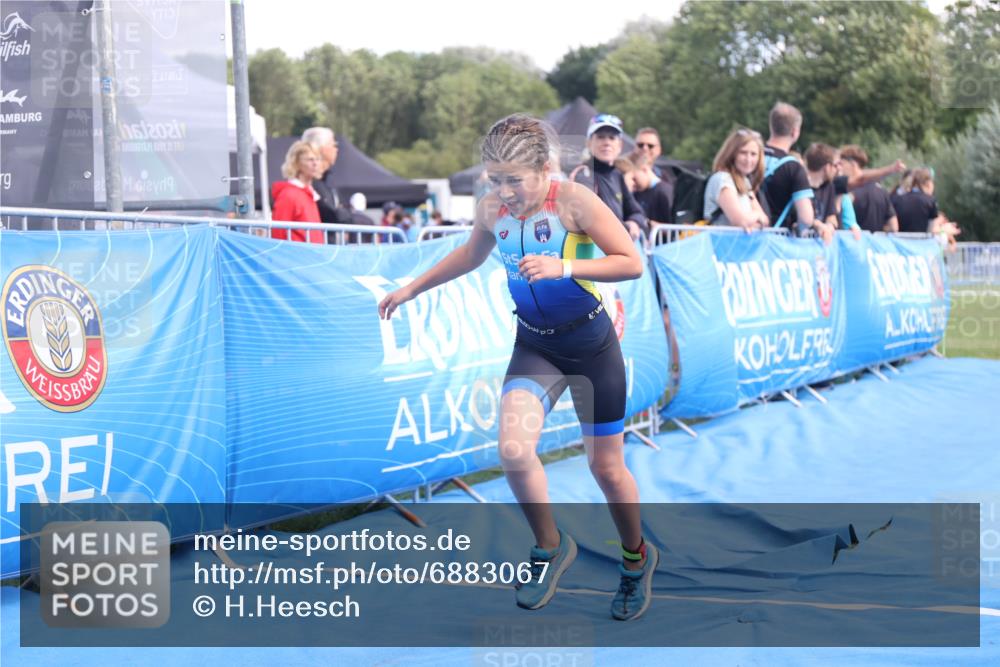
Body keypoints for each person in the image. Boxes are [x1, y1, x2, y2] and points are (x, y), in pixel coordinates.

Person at [378, 113, 657, 621]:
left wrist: (565, 266)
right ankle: (550, 548)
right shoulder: (491, 209)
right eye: (494, 179)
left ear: (546, 168)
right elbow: (468, 255)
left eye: (514, 180)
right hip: (536, 346)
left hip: (592, 347)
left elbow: (631, 262)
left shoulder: (575, 201)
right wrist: (412, 287)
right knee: (512, 450)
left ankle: (636, 559)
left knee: (606, 469)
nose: (503, 191)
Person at [570, 113, 649, 241]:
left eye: (612, 138)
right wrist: (626, 229)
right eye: (600, 137)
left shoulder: (617, 175)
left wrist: (634, 222)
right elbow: (592, 217)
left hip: (615, 248)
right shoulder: (583, 174)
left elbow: (636, 211)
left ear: (620, 146)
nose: (607, 142)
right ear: (589, 143)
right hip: (593, 251)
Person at [761, 102, 817, 235]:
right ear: (795, 132)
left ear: (771, 126)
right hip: (774, 240)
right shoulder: (793, 167)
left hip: (741, 237)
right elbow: (806, 218)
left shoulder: (750, 155)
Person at [702, 128, 774, 233]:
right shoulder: (722, 179)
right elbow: (741, 221)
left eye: (753, 154)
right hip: (720, 246)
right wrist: (757, 216)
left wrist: (754, 220)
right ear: (732, 153)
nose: (748, 159)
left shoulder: (745, 182)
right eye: (743, 153)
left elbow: (766, 220)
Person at [270, 140, 325, 244]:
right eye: (310, 159)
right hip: (296, 256)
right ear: (296, 163)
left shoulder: (309, 194)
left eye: (318, 159)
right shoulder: (288, 195)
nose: (315, 163)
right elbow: (279, 233)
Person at [893, 167, 961, 248]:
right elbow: (931, 230)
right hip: (921, 249)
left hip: (900, 248)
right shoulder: (930, 201)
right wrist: (945, 230)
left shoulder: (897, 200)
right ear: (928, 183)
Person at [838, 145, 898, 233]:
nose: (839, 168)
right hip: (875, 244)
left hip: (851, 242)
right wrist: (876, 234)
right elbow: (894, 227)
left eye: (841, 164)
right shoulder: (882, 192)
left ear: (852, 164)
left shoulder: (847, 191)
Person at [301, 127, 344, 226]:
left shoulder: (327, 180)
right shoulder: (308, 183)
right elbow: (332, 215)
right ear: (322, 148)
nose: (336, 149)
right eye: (333, 145)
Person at [630, 152, 674, 226]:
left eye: (634, 178)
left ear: (644, 169)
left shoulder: (664, 191)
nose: (633, 183)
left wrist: (647, 223)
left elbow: (674, 228)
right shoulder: (637, 192)